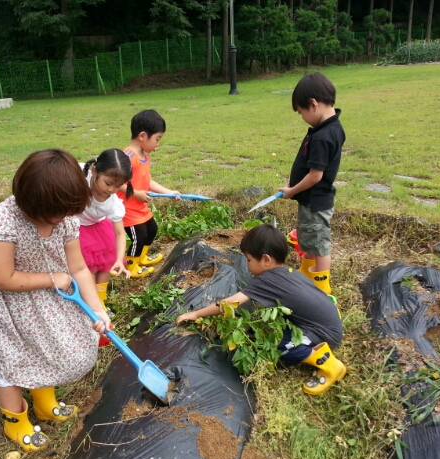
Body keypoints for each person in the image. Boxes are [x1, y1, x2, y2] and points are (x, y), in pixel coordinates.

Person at [0, 149, 112, 452]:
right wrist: (54, 278)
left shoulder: (64, 217)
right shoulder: (1, 223)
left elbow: (78, 268)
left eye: (66, 214)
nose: (61, 222)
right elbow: (3, 278)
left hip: (38, 285)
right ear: (30, 204)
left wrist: (98, 309)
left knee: (47, 343)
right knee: (10, 358)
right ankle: (15, 422)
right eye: (55, 216)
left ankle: (43, 402)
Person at [176, 224, 345, 395]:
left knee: (280, 344)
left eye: (249, 260)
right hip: (328, 318)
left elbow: (230, 303)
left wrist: (196, 313)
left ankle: (330, 365)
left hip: (325, 333)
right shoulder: (288, 270)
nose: (247, 265)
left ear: (266, 260)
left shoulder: (267, 281)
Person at [278, 72, 346, 295]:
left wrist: (291, 191)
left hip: (315, 201)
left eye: (301, 112)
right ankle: (307, 271)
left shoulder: (324, 136)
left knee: (319, 244)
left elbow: (316, 175)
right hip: (310, 201)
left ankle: (321, 285)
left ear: (313, 104)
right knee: (308, 238)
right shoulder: (325, 129)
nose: (302, 118)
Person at [117, 109, 180, 278]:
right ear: (143, 136)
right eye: (157, 139)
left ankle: (141, 258)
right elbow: (116, 183)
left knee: (152, 229)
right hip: (127, 210)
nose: (158, 144)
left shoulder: (144, 157)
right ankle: (131, 266)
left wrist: (169, 192)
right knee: (139, 236)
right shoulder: (128, 158)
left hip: (139, 208)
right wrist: (135, 193)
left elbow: (149, 183)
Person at [79, 148, 133, 317]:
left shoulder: (113, 204)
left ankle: (100, 301)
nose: (111, 190)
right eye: (108, 183)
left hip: (97, 229)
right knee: (87, 269)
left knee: (105, 265)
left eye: (118, 186)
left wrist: (118, 259)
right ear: (94, 171)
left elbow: (119, 233)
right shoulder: (78, 175)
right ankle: (87, 303)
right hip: (76, 228)